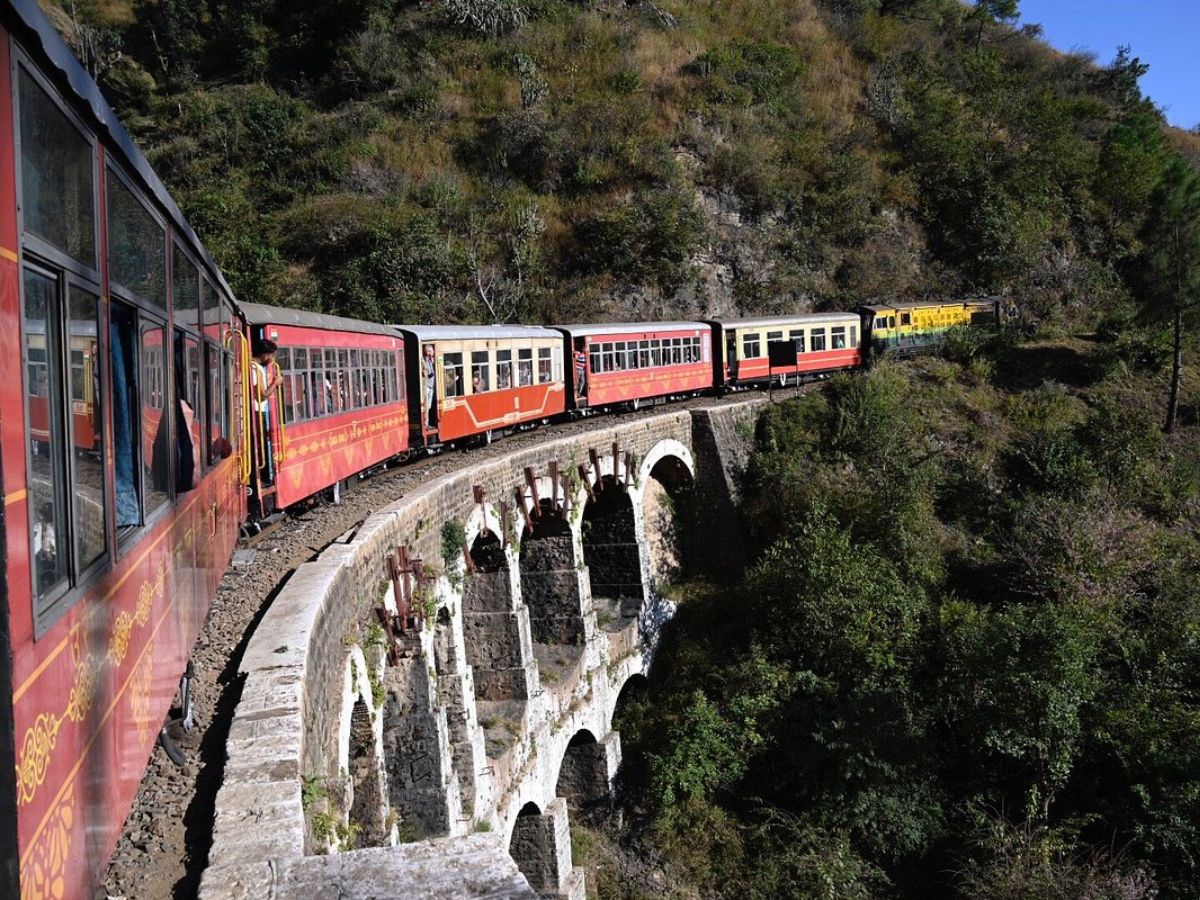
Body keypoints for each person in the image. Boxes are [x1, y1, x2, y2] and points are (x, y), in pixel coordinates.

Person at [251, 339, 281, 484]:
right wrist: (275, 383)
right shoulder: (255, 369)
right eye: (272, 355)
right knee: (260, 443)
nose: (272, 360)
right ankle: (262, 477)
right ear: (265, 355)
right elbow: (262, 395)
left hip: (255, 411)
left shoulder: (251, 367)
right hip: (257, 412)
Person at [423, 343, 437, 428]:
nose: (431, 353)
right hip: (427, 386)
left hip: (431, 386)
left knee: (429, 406)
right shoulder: (425, 361)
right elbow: (427, 373)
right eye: (429, 351)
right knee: (426, 406)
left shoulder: (430, 361)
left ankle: (427, 422)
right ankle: (426, 423)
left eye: (431, 351)